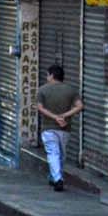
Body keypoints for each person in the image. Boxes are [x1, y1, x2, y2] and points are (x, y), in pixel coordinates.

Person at [34, 63, 81, 191]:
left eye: (47, 75)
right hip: (65, 128)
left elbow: (40, 108)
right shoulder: (71, 90)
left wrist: (55, 117)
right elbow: (79, 106)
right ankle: (56, 177)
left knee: (53, 153)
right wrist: (64, 116)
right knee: (61, 154)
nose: (47, 77)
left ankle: (57, 178)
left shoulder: (42, 90)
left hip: (48, 127)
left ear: (51, 75)